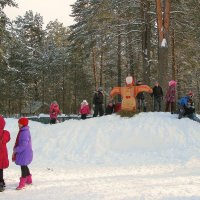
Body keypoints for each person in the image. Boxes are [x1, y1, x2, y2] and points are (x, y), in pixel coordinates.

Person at [12, 117, 33, 190]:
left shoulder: (24, 132)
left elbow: (24, 144)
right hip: (25, 152)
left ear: (23, 124)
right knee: (25, 166)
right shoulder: (23, 130)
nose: (18, 124)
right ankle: (29, 180)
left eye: (19, 123)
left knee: (23, 167)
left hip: (24, 153)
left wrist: (16, 150)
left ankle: (22, 184)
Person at [0, 115, 10, 192]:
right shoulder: (6, 133)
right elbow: (8, 139)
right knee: (0, 169)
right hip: (2, 155)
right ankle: (1, 182)